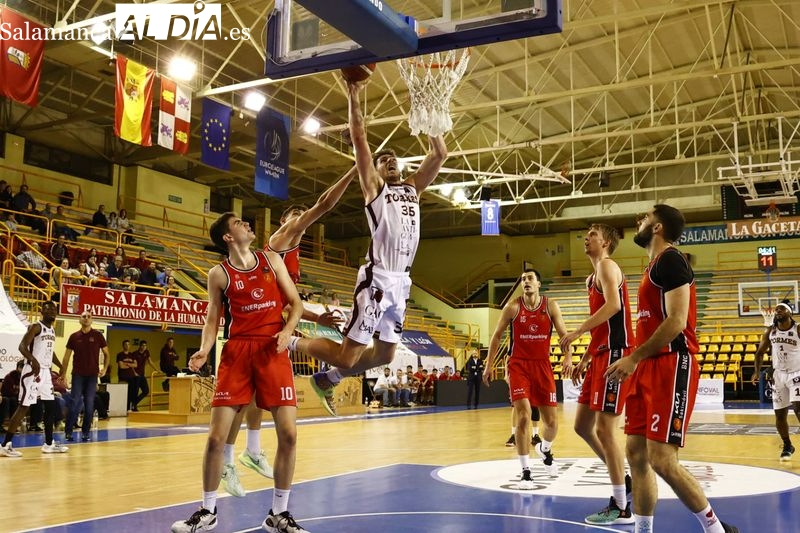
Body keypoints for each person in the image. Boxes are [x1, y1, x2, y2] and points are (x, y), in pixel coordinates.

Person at [294, 77, 447, 416]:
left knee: (385, 356)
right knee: (349, 354)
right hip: (377, 280)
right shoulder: (376, 191)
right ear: (375, 171)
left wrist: (429, 116)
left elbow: (439, 153)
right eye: (383, 160)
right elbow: (360, 137)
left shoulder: (412, 189)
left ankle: (327, 378)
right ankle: (293, 341)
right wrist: (353, 95)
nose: (390, 161)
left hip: (402, 281)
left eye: (394, 159)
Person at [219, 168, 357, 497]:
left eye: (300, 216)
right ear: (285, 220)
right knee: (240, 400)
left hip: (273, 323)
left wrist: (314, 315)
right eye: (295, 215)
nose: (300, 219)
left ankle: (251, 450)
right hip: (255, 326)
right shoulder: (281, 240)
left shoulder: (290, 254)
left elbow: (285, 298)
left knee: (253, 397)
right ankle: (227, 460)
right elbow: (320, 207)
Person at [605, 204, 738, 533]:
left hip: (672, 363)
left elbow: (677, 322)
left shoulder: (672, 260)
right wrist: (635, 358)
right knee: (635, 453)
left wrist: (634, 357)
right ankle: (643, 529)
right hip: (647, 366)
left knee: (662, 459)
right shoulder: (653, 265)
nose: (640, 220)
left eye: (646, 217)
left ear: (658, 227)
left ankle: (715, 529)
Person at [170, 212, 307, 533]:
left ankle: (279, 513)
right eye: (239, 224)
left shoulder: (271, 259)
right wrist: (204, 349)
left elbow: (296, 303)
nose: (247, 225)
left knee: (289, 434)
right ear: (228, 237)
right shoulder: (218, 274)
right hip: (237, 352)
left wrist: (288, 331)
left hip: (272, 349)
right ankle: (207, 511)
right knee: (216, 438)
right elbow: (212, 318)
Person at [559, 223, 634, 525]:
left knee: (605, 429)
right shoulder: (592, 276)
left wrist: (577, 331)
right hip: (601, 353)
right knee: (582, 426)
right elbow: (602, 326)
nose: (586, 238)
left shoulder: (607, 265)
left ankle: (621, 506)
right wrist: (586, 358)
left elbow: (614, 307)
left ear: (605, 243)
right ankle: (622, 478)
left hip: (617, 353)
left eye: (592, 234)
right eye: (586, 234)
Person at [484, 268, 570, 487]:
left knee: (551, 422)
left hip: (542, 365)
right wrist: (489, 365)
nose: (526, 282)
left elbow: (563, 335)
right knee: (523, 415)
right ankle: (525, 471)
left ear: (539, 284)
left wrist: (568, 357)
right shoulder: (512, 307)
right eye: (523, 280)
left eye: (530, 279)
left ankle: (545, 448)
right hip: (518, 365)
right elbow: (496, 337)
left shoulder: (550, 306)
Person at [0, 301, 69, 457]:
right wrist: (33, 360)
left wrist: (60, 365)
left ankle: (49, 444)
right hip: (32, 371)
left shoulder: (51, 330)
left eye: (53, 309)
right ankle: (5, 445)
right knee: (23, 407)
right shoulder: (36, 327)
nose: (51, 311)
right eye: (48, 309)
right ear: (42, 313)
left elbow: (49, 352)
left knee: (51, 406)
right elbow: (22, 346)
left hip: (45, 373)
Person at [751, 300, 800, 461]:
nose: (777, 311)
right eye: (776, 309)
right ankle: (787, 445)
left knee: (798, 409)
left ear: (789, 313)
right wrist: (757, 372)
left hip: (796, 373)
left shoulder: (797, 328)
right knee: (779, 415)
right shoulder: (770, 332)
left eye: (781, 309)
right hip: (778, 375)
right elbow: (759, 353)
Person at [60, 311, 110, 442]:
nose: (86, 318)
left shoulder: (98, 336)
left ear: (92, 320)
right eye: (84, 316)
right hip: (77, 375)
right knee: (75, 403)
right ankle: (68, 431)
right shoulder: (74, 336)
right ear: (79, 320)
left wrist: (104, 368)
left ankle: (85, 432)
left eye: (89, 317)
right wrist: (63, 374)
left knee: (89, 405)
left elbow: (107, 354)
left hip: (92, 376)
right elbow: (66, 357)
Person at [116, 340, 139, 411]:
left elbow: (136, 365)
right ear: (123, 346)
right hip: (123, 377)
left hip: (131, 377)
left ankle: (131, 407)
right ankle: (123, 408)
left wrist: (127, 364)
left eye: (128, 344)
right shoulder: (120, 355)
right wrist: (130, 365)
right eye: (125, 344)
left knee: (133, 392)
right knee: (124, 393)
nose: (127, 346)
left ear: (130, 346)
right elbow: (121, 366)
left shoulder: (132, 355)